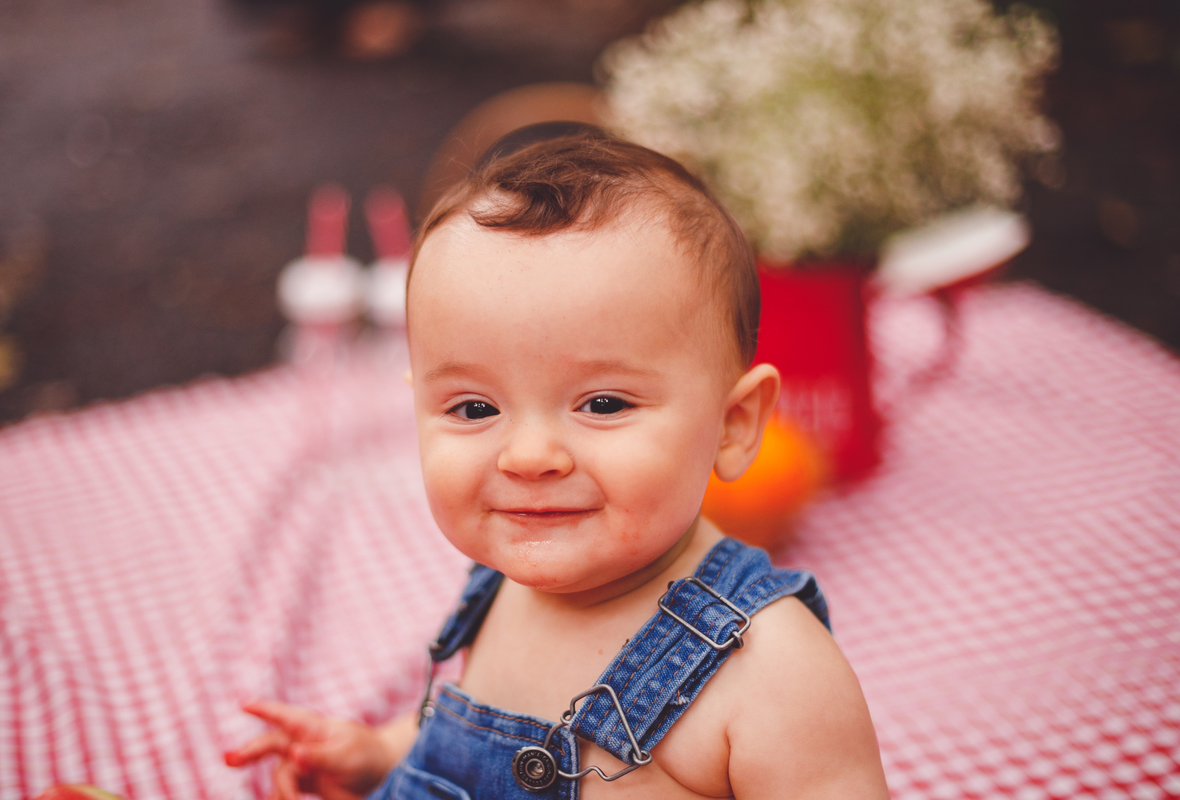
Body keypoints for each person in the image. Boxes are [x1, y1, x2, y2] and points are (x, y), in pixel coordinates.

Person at [225, 132, 888, 799]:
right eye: (475, 408)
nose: (530, 457)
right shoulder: (505, 579)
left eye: (603, 403)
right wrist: (377, 754)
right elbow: (465, 726)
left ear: (734, 425)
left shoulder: (772, 670)